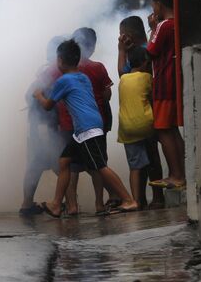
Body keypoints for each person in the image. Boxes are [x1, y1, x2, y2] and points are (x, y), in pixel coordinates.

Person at [34, 39, 138, 217]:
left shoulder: (63, 81)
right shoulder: (83, 77)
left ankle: (128, 200)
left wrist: (38, 95)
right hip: (85, 128)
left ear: (59, 60)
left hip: (87, 129)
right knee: (64, 161)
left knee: (100, 166)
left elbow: (47, 106)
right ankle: (56, 205)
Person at [117, 15, 165, 208]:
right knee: (147, 157)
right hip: (146, 113)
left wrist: (121, 51)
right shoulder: (139, 51)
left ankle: (152, 198)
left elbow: (122, 74)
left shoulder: (142, 53)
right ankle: (148, 198)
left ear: (129, 35)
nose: (120, 38)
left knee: (149, 158)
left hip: (147, 112)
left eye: (121, 35)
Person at [72, 27, 117, 214]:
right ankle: (100, 202)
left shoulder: (69, 70)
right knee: (99, 163)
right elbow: (107, 94)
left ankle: (72, 205)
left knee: (73, 165)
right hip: (98, 122)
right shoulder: (97, 67)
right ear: (93, 47)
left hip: (75, 124)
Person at [19, 36, 66, 216]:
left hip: (40, 126)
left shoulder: (47, 72)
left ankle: (27, 204)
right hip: (45, 127)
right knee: (58, 164)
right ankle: (68, 203)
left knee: (38, 165)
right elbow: (31, 94)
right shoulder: (50, 73)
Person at [146, 0, 186, 189]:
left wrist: (153, 28)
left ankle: (176, 175)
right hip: (175, 82)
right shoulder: (177, 23)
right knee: (172, 130)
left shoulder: (163, 26)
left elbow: (150, 51)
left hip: (163, 83)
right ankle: (182, 173)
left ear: (159, 5)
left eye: (153, 4)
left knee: (162, 130)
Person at [118, 46, 155, 207]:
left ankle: (136, 201)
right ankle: (156, 195)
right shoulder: (147, 78)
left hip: (127, 128)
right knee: (152, 160)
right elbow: (153, 98)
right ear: (146, 62)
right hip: (146, 125)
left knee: (135, 167)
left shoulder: (123, 79)